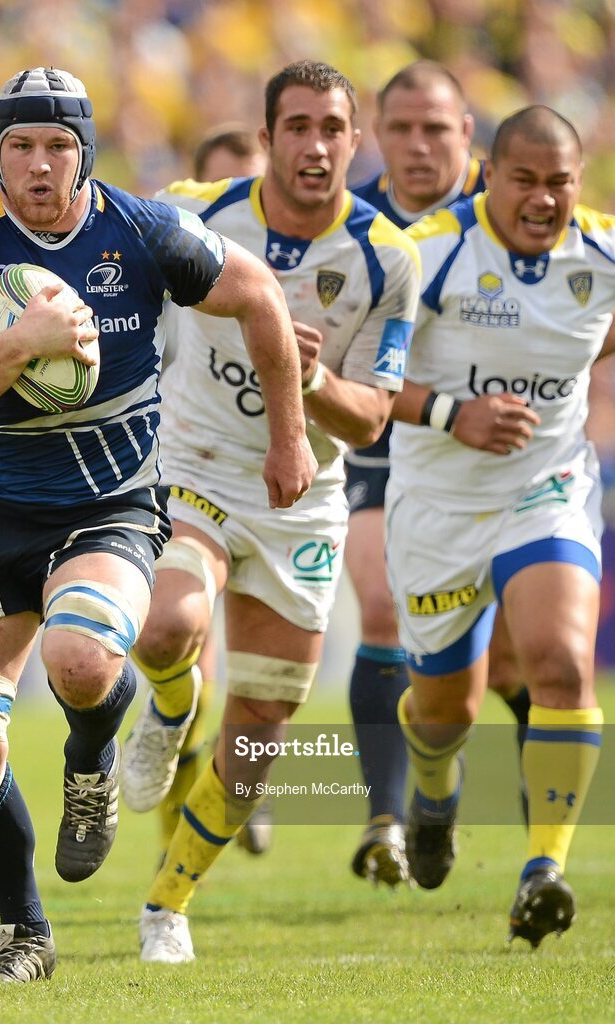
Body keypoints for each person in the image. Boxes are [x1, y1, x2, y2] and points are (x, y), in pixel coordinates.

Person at [0, 66, 315, 984]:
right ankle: (25, 933)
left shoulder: (146, 232)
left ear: (85, 152)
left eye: (58, 147)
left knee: (82, 661)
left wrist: (290, 439)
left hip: (109, 504)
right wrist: (23, 343)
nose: (40, 167)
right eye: (20, 147)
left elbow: (259, 297)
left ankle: (92, 753)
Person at [119, 59, 420, 963]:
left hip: (304, 500)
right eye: (298, 126)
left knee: (259, 736)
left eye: (333, 127)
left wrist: (309, 375)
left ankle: (167, 906)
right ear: (268, 137)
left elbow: (371, 417)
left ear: (353, 142)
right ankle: (170, 711)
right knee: (167, 627)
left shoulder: (386, 258)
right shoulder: (193, 213)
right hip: (197, 464)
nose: (316, 145)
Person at [386, 105, 615, 947]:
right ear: (489, 173)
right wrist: (453, 413)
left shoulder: (611, 247)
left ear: (579, 183)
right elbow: (355, 380)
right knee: (446, 707)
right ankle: (434, 790)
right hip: (438, 505)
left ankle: (543, 869)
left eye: (559, 182)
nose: (542, 199)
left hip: (546, 487)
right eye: (524, 180)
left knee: (561, 663)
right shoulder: (426, 252)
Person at [346, 61, 615, 887]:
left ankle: (541, 844)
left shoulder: (520, 201)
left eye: (434, 128)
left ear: (467, 136)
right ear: (377, 136)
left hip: (517, 457)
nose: (416, 145)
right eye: (399, 129)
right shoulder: (356, 220)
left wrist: (548, 356)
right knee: (390, 622)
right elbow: (339, 350)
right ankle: (396, 812)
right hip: (382, 444)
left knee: (535, 659)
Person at [155, 125, 270, 862]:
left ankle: (237, 782)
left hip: (272, 475)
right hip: (182, 458)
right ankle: (175, 851)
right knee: (184, 649)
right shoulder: (169, 256)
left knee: (250, 672)